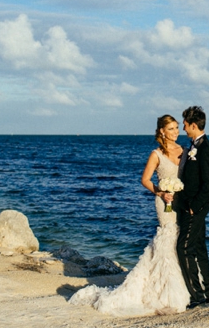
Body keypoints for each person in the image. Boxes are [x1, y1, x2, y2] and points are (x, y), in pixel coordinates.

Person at [68, 115, 190, 316]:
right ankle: (167, 292)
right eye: (171, 129)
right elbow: (145, 179)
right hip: (165, 203)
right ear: (162, 131)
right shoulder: (156, 154)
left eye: (177, 128)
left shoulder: (185, 152)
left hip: (182, 203)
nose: (176, 132)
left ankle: (185, 284)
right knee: (167, 240)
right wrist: (160, 192)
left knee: (181, 240)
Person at [171, 105, 209, 309]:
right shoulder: (193, 146)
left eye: (185, 124)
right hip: (187, 205)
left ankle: (197, 296)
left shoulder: (205, 148)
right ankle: (207, 293)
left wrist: (194, 207)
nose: (183, 127)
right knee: (198, 247)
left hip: (195, 208)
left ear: (194, 125)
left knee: (184, 248)